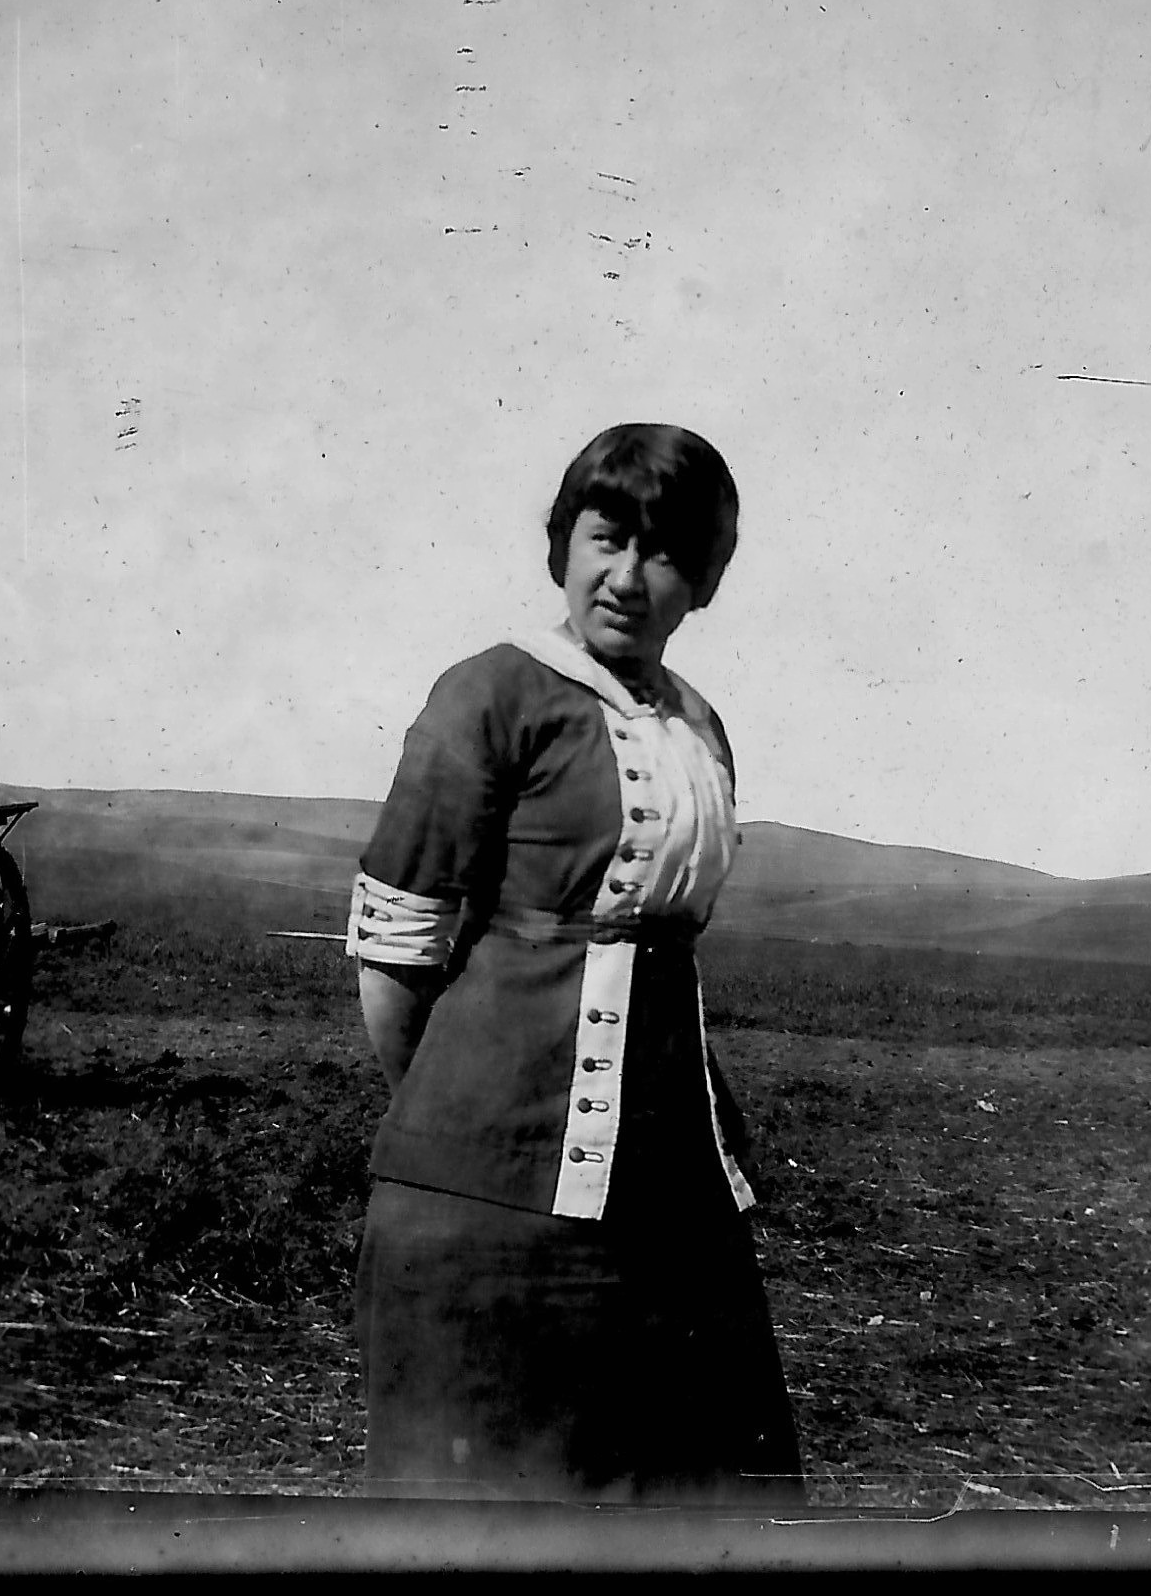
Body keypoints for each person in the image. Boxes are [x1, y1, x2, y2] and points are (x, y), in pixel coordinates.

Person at [349, 424, 805, 1505]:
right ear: (562, 544)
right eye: (607, 539)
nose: (627, 577)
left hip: (670, 1188)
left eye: (665, 554)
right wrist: (471, 1116)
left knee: (702, 1489)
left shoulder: (699, 726)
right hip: (485, 1193)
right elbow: (396, 960)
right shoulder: (491, 693)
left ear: (704, 581)